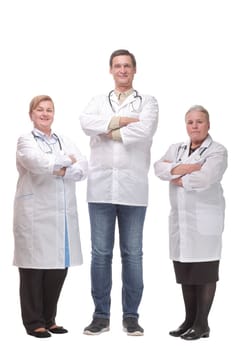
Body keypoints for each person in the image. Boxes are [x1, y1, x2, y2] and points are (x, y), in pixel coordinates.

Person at [79, 49, 159, 336]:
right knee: (100, 254)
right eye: (117, 66)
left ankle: (131, 316)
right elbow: (86, 123)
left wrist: (107, 127)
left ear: (134, 70)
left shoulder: (147, 102)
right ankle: (101, 315)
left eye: (127, 66)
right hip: (100, 188)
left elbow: (145, 131)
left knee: (132, 254)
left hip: (133, 189)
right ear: (110, 70)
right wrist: (123, 122)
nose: (122, 70)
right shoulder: (97, 101)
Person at [13, 95, 88, 338]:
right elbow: (35, 162)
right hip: (36, 214)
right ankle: (34, 321)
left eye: (49, 110)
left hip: (61, 215)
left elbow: (83, 168)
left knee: (57, 268)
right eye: (40, 110)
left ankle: (49, 318)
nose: (45, 114)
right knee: (34, 269)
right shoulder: (25, 140)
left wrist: (58, 167)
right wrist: (66, 163)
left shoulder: (64, 140)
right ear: (31, 114)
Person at [154, 105, 227, 340]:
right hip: (181, 221)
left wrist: (177, 176)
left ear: (208, 124)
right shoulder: (177, 148)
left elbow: (207, 176)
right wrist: (186, 168)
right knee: (185, 271)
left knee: (203, 272)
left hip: (205, 221)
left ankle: (202, 324)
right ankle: (189, 320)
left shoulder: (217, 151)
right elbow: (158, 168)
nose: (194, 126)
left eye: (199, 121)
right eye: (190, 122)